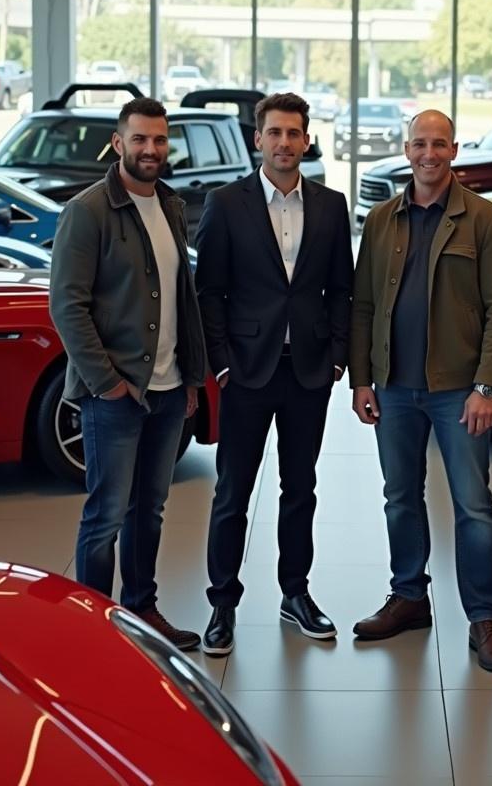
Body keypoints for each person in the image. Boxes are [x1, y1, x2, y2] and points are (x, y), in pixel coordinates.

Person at [349, 109, 492, 672]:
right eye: (420, 143)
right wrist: (361, 379)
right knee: (400, 496)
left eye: (439, 144)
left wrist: (487, 385)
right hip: (395, 386)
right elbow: (365, 306)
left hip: (459, 391)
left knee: (474, 505)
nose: (429, 153)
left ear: (454, 149)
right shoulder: (380, 220)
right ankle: (408, 598)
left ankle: (484, 617)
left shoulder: (483, 220)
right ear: (407, 149)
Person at [195, 92, 353, 655]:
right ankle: (222, 603)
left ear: (307, 140)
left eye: (294, 133)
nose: (284, 143)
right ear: (257, 139)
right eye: (274, 133)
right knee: (232, 491)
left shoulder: (333, 206)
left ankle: (296, 592)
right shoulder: (225, 203)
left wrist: (338, 354)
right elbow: (208, 292)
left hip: (308, 371)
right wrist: (221, 365)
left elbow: (343, 289)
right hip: (246, 372)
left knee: (300, 489)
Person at [49, 97, 207, 651]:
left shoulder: (171, 205)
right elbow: (67, 306)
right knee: (106, 513)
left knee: (151, 510)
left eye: (160, 141)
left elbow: (182, 299)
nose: (151, 150)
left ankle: (142, 611)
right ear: (119, 144)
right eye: (139, 140)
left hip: (167, 390)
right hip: (115, 394)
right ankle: (92, 624)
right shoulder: (88, 211)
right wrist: (106, 382)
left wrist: (191, 377)